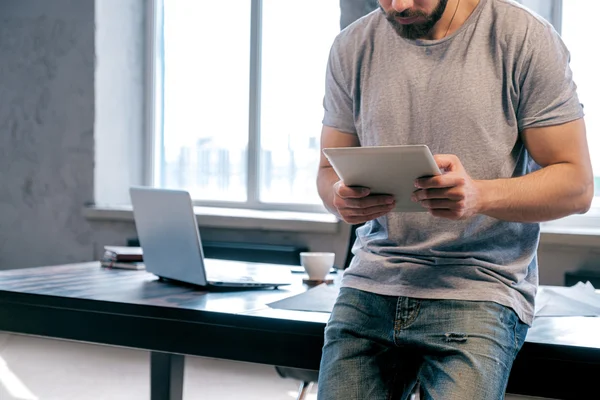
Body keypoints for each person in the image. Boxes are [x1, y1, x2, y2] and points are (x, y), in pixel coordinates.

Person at [316, 0, 594, 399]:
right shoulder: (351, 46)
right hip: (372, 281)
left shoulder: (522, 36)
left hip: (478, 287)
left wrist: (480, 195)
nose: (399, 5)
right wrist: (340, 198)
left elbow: (577, 185)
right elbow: (328, 174)